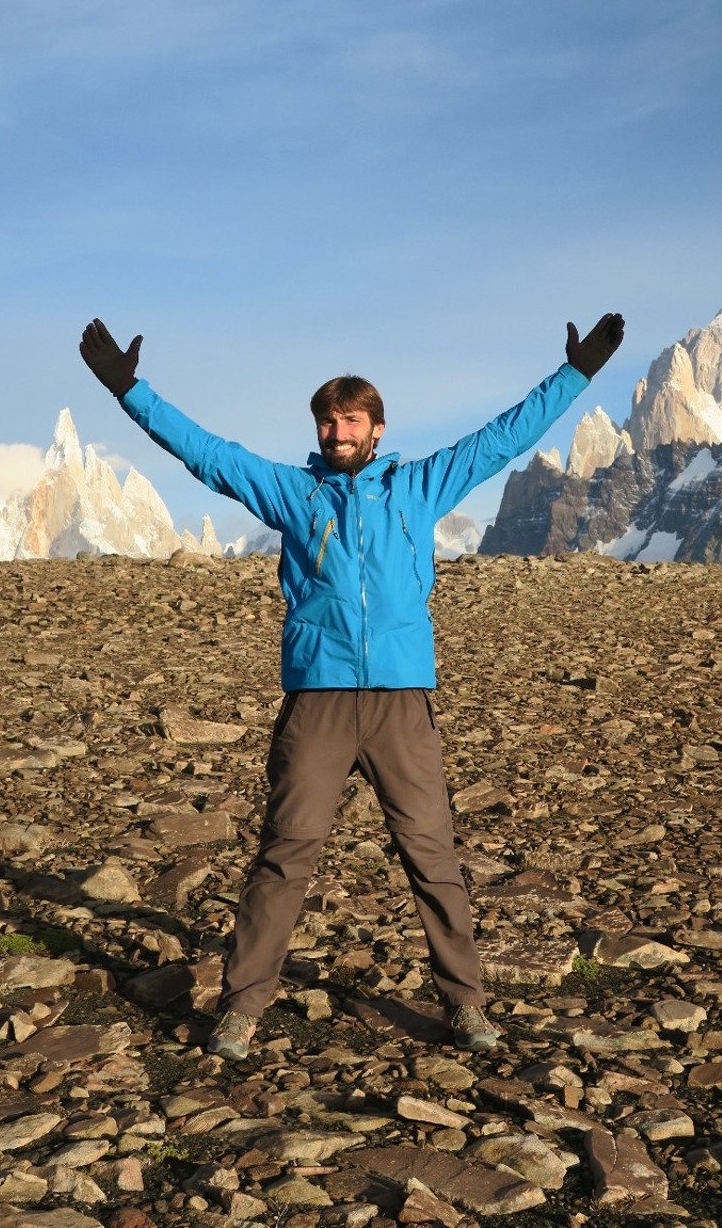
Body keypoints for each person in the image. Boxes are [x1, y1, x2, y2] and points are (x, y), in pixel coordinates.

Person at [79, 310, 624, 1059]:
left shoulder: (420, 486)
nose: (339, 434)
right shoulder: (292, 494)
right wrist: (128, 390)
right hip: (320, 702)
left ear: (377, 428)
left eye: (352, 421)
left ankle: (466, 1006)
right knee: (285, 854)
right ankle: (241, 1010)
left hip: (402, 703)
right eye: (328, 423)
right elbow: (205, 453)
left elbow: (503, 437)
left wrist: (576, 373)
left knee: (431, 855)